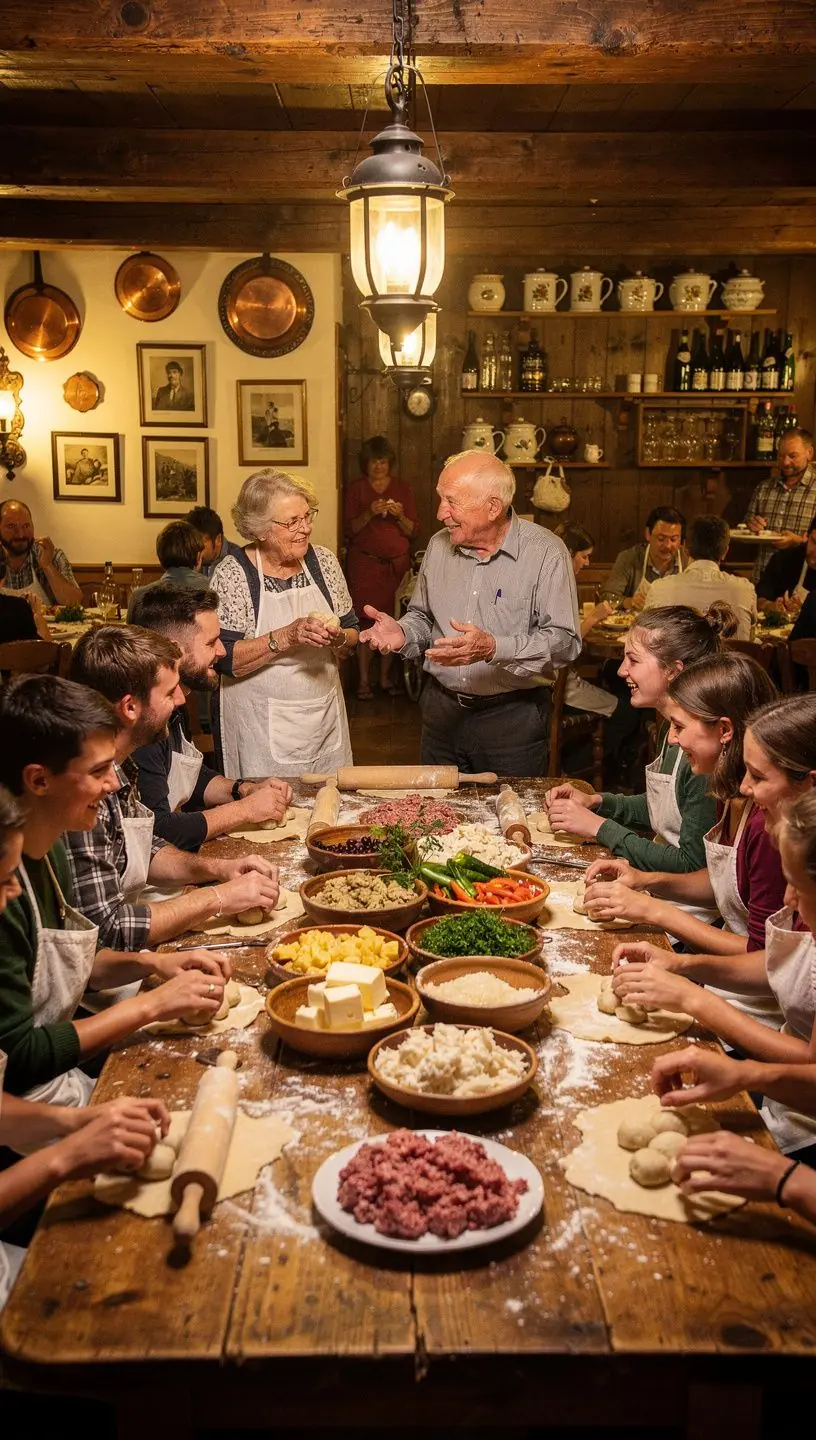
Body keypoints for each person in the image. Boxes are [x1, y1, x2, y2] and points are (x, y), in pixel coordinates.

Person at [0, 678, 230, 1104]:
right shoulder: (8, 888)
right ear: (38, 780)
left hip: (60, 1074)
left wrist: (155, 967)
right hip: (25, 1102)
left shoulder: (51, 848)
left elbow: (81, 966)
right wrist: (151, 1006)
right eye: (96, 771)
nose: (112, 785)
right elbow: (20, 1057)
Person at [613, 786, 816, 1158]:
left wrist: (695, 999)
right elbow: (777, 965)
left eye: (797, 886)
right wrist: (680, 965)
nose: (786, 899)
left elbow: (810, 1069)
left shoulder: (767, 827)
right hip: (779, 1096)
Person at [360, 451, 580, 776]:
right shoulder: (438, 546)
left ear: (492, 507)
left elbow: (565, 642)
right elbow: (422, 616)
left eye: (452, 502)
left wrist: (494, 648)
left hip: (511, 721)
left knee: (512, 821)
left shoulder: (546, 552)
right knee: (438, 820)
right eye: (440, 499)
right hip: (440, 714)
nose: (440, 513)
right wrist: (404, 633)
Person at [66, 625, 280, 948]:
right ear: (129, 708)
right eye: (169, 693)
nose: (181, 700)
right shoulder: (84, 792)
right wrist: (217, 898)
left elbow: (147, 850)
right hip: (100, 988)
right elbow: (108, 930)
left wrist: (221, 869)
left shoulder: (122, 765)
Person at [583, 654, 785, 982]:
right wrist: (644, 880)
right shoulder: (728, 793)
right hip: (721, 973)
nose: (673, 739)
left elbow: (766, 959)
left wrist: (656, 911)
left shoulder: (765, 826)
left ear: (723, 731)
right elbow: (724, 881)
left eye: (679, 727)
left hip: (755, 998)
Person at [545, 606, 734, 893]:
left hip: (684, 908)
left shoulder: (699, 750)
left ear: (673, 671)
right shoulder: (671, 728)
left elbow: (690, 866)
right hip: (656, 889)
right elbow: (667, 807)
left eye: (633, 660)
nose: (622, 670)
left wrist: (598, 827)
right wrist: (597, 801)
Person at [210, 470, 358, 780]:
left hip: (323, 721)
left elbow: (352, 632)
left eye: (308, 516)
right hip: (259, 730)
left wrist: (337, 639)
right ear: (260, 530)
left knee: (330, 809)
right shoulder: (233, 574)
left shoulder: (324, 563)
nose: (306, 528)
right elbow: (223, 659)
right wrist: (288, 636)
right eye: (292, 522)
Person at [129, 586, 293, 851]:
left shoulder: (177, 700)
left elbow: (188, 777)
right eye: (210, 642)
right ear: (174, 651)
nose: (223, 651)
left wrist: (242, 790)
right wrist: (244, 811)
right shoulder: (145, 721)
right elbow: (159, 830)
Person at [344, 435, 419, 699]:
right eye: (375, 461)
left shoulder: (402, 489)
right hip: (365, 566)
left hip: (395, 569)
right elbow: (350, 529)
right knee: (366, 620)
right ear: (367, 463)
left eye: (384, 461)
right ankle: (364, 681)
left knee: (393, 620)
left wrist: (399, 516)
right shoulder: (357, 489)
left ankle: (386, 680)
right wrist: (370, 512)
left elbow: (412, 530)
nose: (379, 466)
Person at [643, 515, 757, 641]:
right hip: (730, 660)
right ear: (725, 551)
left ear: (685, 548)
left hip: (678, 660)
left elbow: (645, 639)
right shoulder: (745, 589)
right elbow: (750, 637)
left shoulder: (659, 588)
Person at [744, 427, 816, 580]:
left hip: (800, 584)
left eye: (792, 456)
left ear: (809, 453)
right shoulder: (764, 488)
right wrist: (751, 526)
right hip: (761, 580)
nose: (785, 462)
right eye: (781, 455)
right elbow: (745, 528)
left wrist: (797, 541)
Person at [599, 506, 686, 611]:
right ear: (648, 534)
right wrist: (629, 602)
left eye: (673, 539)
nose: (667, 545)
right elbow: (607, 598)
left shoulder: (687, 561)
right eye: (661, 538)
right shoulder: (629, 558)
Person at [0, 500, 83, 608]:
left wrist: (47, 566)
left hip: (45, 624)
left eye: (26, 526)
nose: (20, 534)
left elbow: (75, 602)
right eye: (11, 526)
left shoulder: (51, 555)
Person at [127, 520, 210, 620]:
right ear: (198, 557)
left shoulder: (139, 597)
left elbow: (131, 635)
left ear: (160, 557)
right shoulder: (213, 590)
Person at [756, 514, 816, 616]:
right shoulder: (783, 559)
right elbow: (757, 599)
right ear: (806, 537)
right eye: (814, 542)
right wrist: (771, 606)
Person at [186, 505, 243, 579]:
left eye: (199, 546)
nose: (195, 552)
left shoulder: (239, 561)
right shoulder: (187, 557)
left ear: (218, 539)